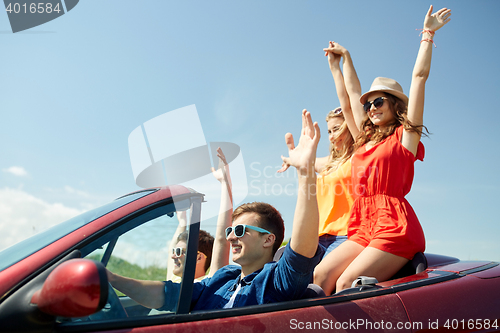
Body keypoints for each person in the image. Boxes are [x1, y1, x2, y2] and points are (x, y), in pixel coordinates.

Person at [107, 111, 324, 310]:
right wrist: (112, 279)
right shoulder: (222, 279)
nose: (230, 238)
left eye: (239, 231)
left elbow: (301, 251)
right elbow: (167, 295)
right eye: (231, 231)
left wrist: (305, 172)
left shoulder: (276, 281)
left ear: (268, 240)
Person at [313, 6, 451, 295]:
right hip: (362, 223)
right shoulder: (362, 139)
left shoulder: (405, 137)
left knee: (346, 284)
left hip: (394, 225)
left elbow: (419, 79)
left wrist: (427, 34)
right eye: (369, 105)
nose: (371, 108)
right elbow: (349, 96)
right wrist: (341, 64)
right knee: (321, 273)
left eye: (379, 103)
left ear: (394, 105)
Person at [278, 46, 358, 257]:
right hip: (317, 238)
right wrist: (295, 159)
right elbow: (307, 163)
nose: (331, 136)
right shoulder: (328, 163)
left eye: (338, 129)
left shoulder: (360, 156)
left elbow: (349, 103)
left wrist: (335, 67)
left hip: (346, 237)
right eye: (329, 130)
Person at [166, 148, 233, 282]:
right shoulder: (173, 279)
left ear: (198, 257)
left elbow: (222, 239)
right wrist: (182, 223)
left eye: (179, 252)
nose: (173, 256)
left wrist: (225, 183)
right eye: (175, 252)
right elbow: (171, 250)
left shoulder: (206, 284)